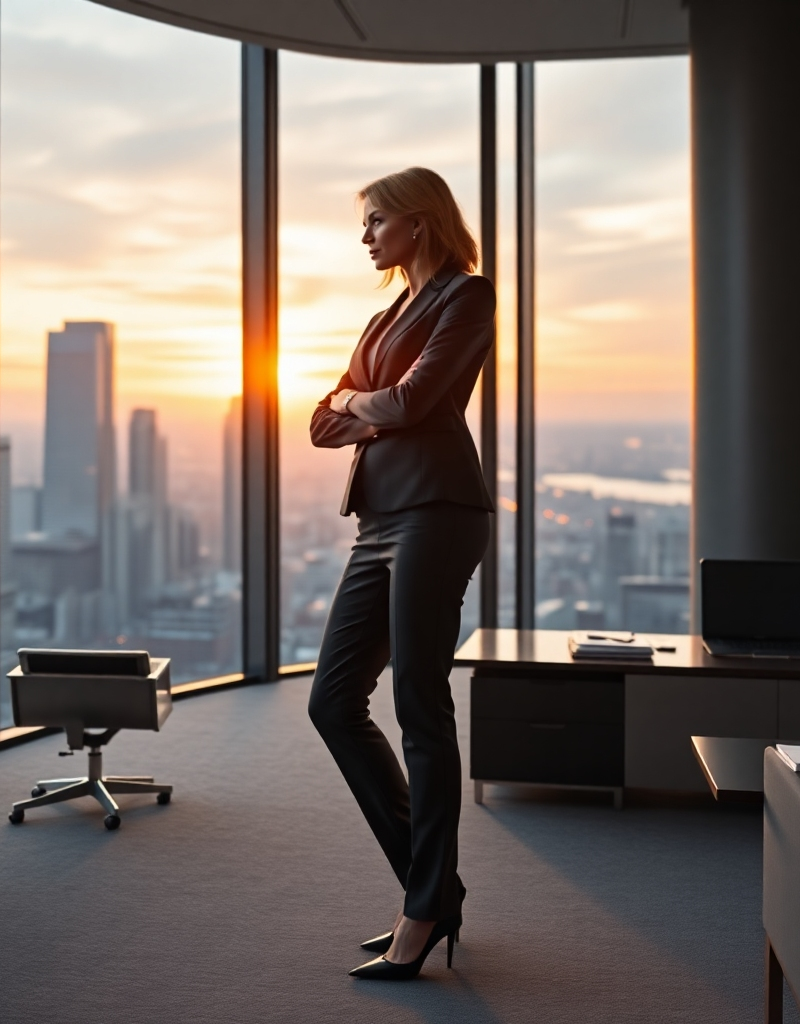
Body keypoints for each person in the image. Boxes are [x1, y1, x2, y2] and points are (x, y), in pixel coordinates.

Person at [308, 166, 495, 980]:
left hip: (439, 513)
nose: (366, 236)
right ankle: (436, 890)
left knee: (419, 702)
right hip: (379, 521)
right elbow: (318, 420)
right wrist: (364, 402)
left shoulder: (467, 297)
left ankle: (421, 910)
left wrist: (361, 401)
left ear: (418, 224)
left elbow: (413, 404)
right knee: (333, 703)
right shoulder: (386, 314)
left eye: (377, 221)